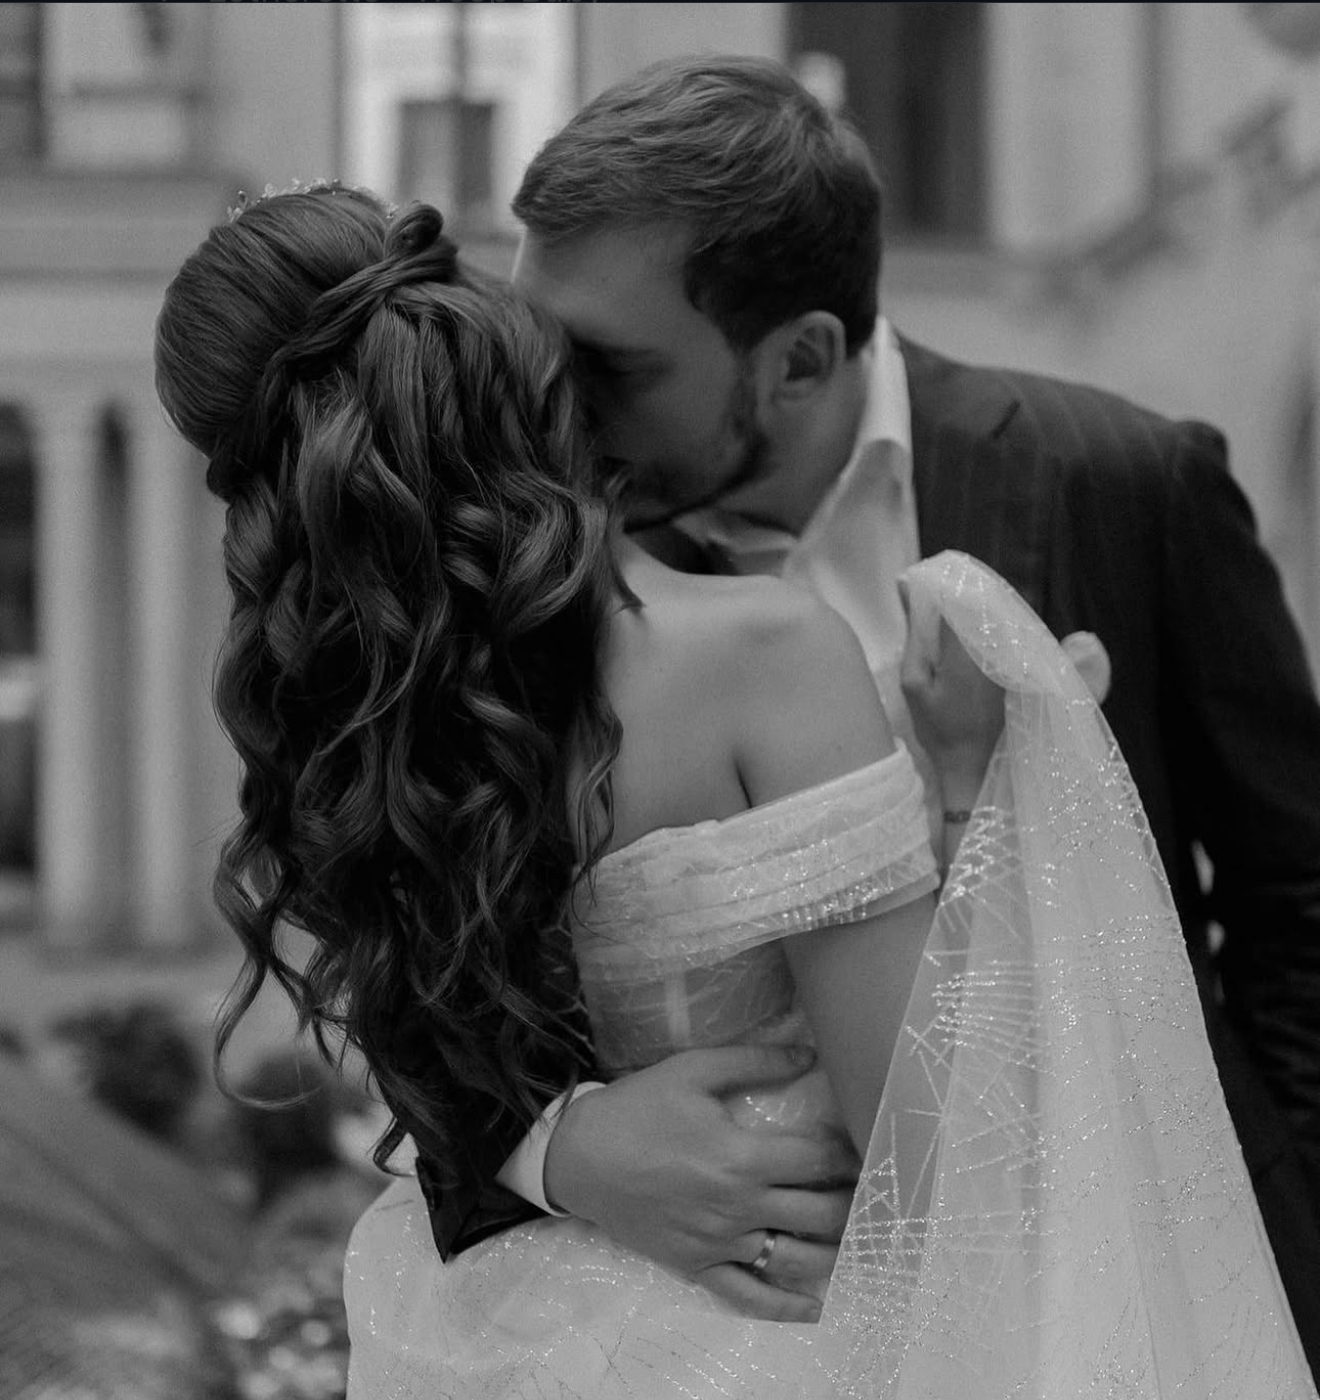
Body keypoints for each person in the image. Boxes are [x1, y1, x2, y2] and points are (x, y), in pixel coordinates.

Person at [154, 183, 1315, 1397]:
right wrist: (978, 792)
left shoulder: (354, 719)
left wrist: (557, 1147)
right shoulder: (766, 654)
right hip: (804, 1332)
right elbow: (934, 1157)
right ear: (507, 356)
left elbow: (411, 1007)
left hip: (491, 1340)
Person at [444, 52, 1320, 1359]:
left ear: (798, 359)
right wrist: (552, 1149)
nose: (550, 407)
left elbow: (1298, 908)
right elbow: (401, 916)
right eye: (537, 344)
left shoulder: (1122, 482)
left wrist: (1285, 1258)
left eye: (610, 367)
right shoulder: (526, 564)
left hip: (1141, 1305)